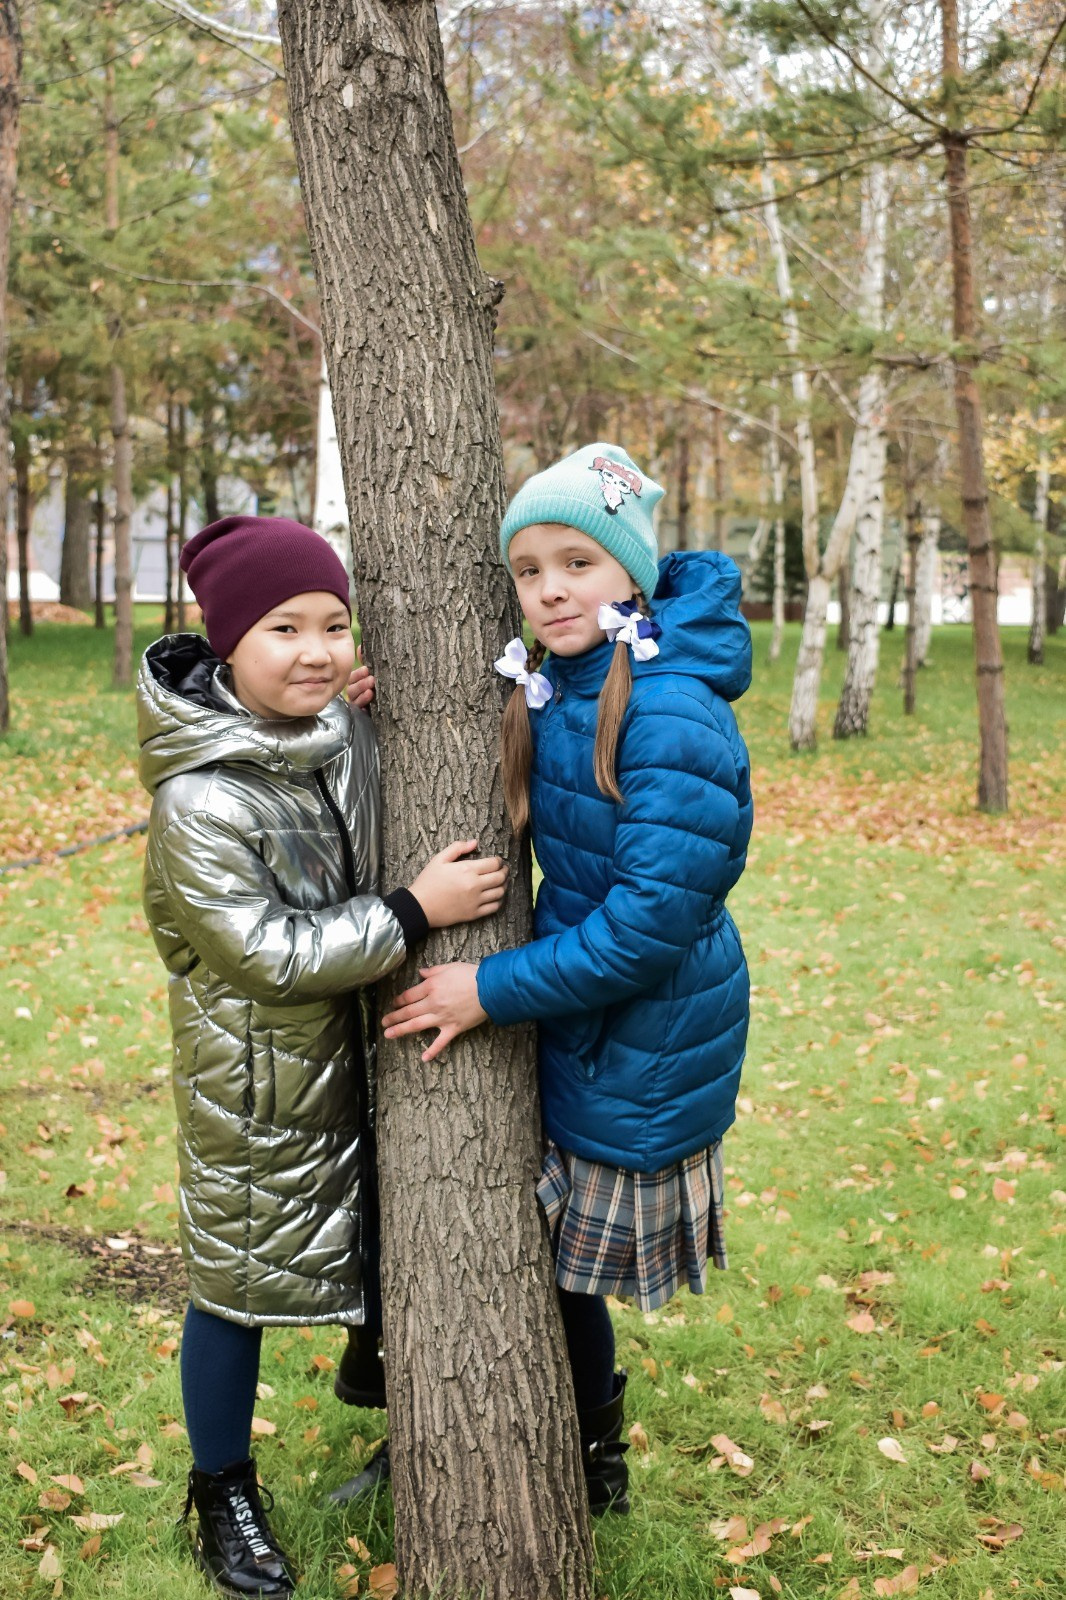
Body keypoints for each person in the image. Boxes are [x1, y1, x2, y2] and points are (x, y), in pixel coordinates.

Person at [138, 514, 508, 1598]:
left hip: (360, 1061)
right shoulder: (200, 797)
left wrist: (352, 725)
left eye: (334, 624)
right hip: (256, 1080)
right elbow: (264, 952)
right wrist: (410, 909)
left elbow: (343, 784)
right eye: (282, 627)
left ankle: (399, 1403)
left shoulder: (320, 731)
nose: (315, 648)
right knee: (234, 1284)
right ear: (225, 649)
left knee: (397, 1231)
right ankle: (221, 1489)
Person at [380, 444, 753, 1515]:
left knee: (558, 1268)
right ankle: (434, 1398)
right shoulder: (565, 677)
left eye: (577, 562)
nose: (549, 588)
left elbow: (644, 929)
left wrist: (483, 989)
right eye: (529, 566)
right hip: (585, 1007)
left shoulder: (672, 711)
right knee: (541, 1257)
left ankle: (591, 1450)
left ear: (630, 574)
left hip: (641, 1027)